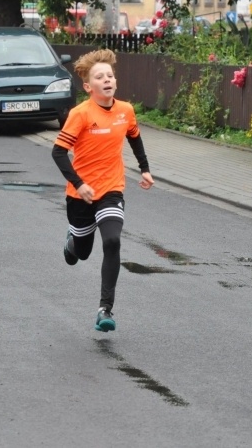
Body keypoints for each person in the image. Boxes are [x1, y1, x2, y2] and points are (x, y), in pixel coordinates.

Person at [51, 48, 154, 332]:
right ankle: (72, 242)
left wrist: (144, 168)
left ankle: (105, 309)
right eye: (99, 76)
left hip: (111, 189)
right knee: (81, 253)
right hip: (80, 195)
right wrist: (79, 184)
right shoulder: (80, 114)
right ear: (88, 86)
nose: (107, 79)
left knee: (112, 241)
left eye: (110, 75)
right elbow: (58, 153)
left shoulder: (126, 111)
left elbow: (134, 136)